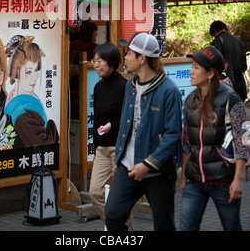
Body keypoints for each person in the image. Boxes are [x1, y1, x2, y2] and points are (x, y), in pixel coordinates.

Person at [105, 32, 182, 231]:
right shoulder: (130, 85)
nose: (126, 57)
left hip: (158, 171)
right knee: (112, 215)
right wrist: (118, 159)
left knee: (163, 225)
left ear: (142, 59)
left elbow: (173, 134)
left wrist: (148, 164)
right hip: (127, 167)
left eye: (129, 53)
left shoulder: (168, 90)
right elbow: (126, 124)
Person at [179, 46, 248, 231]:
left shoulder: (232, 100)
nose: (191, 72)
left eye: (196, 68)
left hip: (223, 180)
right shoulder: (190, 101)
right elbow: (187, 141)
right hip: (194, 180)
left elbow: (242, 141)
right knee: (186, 227)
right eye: (191, 66)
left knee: (232, 227)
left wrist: (238, 179)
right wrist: (184, 176)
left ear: (210, 73)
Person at [88, 42, 128, 225]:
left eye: (100, 61)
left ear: (111, 62)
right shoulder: (98, 87)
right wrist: (96, 148)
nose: (96, 65)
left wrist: (113, 125)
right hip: (103, 150)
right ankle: (116, 226)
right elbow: (96, 119)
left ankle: (124, 233)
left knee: (121, 198)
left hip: (121, 149)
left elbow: (131, 118)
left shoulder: (125, 86)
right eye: (94, 61)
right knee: (94, 192)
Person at [4, 35, 59, 147]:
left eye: (36, 70)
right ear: (16, 73)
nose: (34, 77)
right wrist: (51, 126)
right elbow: (44, 145)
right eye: (28, 72)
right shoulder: (22, 113)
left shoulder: (19, 99)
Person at [210, 20, 248, 101]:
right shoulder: (238, 40)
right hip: (240, 82)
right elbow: (244, 64)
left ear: (214, 30)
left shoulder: (218, 40)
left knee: (227, 109)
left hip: (226, 83)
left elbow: (216, 62)